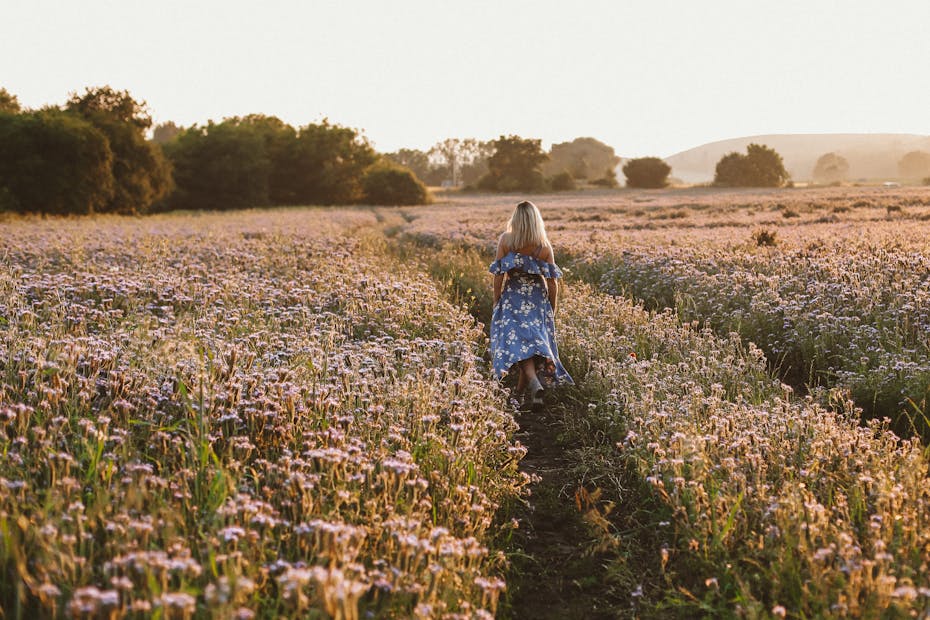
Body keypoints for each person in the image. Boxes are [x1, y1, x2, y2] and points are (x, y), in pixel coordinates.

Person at [489, 200, 573, 410]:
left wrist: (496, 301)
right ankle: (525, 391)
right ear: (536, 220)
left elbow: (499, 276)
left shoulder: (507, 241)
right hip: (537, 299)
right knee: (532, 347)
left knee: (519, 345)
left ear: (516, 219)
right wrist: (551, 308)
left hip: (513, 298)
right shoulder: (543, 246)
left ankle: (526, 389)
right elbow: (553, 282)